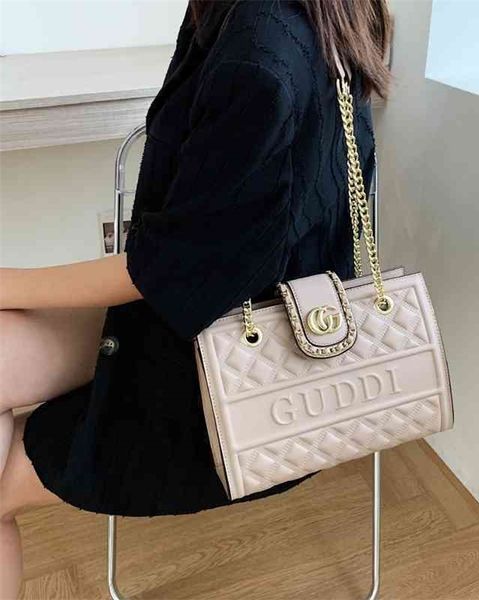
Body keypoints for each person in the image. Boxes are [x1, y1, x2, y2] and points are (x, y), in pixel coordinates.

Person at [0, 0, 391, 596]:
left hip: (230, 385)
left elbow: (171, 271)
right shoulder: (324, 15)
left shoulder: (258, 53)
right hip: (254, 318)